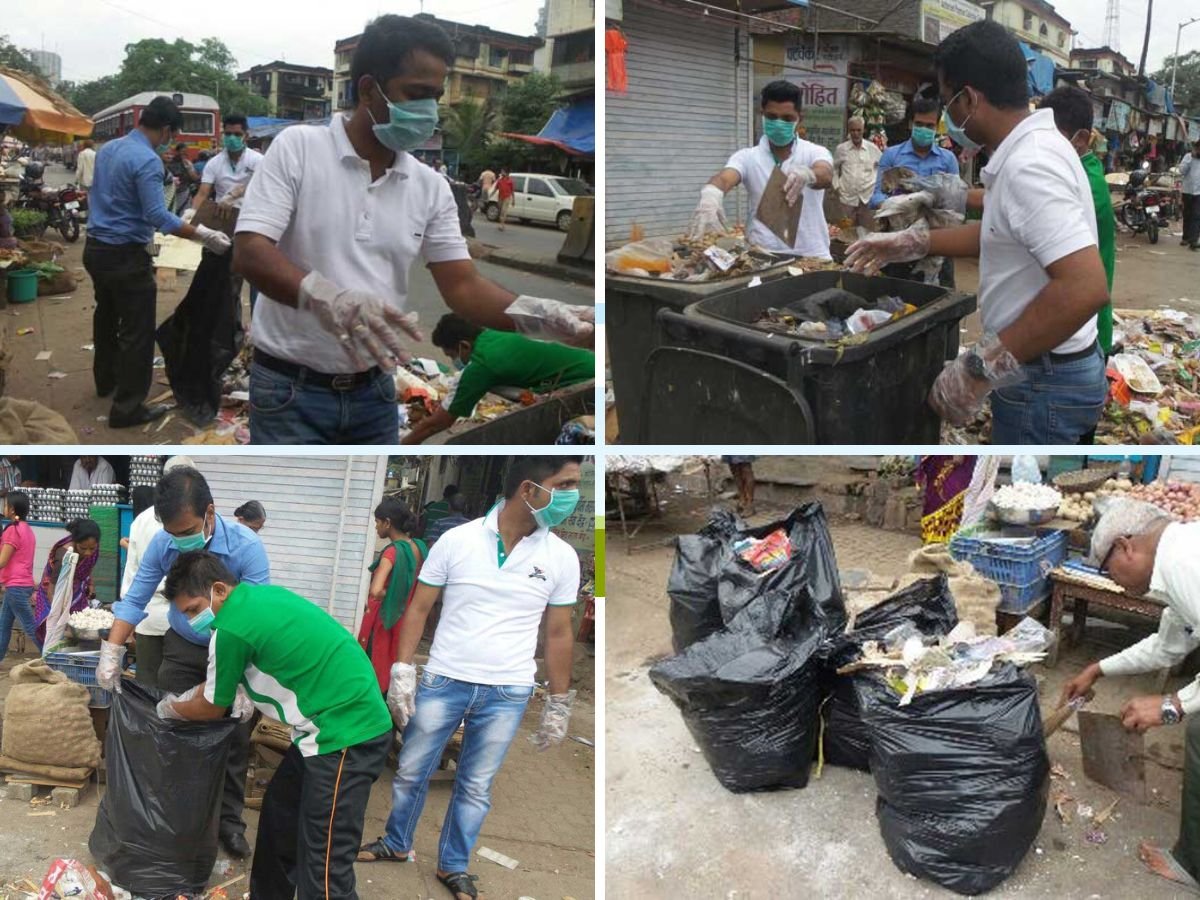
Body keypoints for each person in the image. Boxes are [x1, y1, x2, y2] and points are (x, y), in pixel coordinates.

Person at [232, 15, 592, 445]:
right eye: (417, 94)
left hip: (375, 392)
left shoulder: (430, 186)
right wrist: (327, 297)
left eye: (436, 96)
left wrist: (541, 317)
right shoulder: (298, 149)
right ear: (368, 90)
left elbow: (463, 286)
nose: (429, 110)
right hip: (289, 391)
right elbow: (251, 250)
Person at [845, 21, 1109, 445]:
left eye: (949, 101)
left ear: (969, 98)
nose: (947, 116)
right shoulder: (1031, 146)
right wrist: (914, 242)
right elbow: (1001, 235)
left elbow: (1085, 288)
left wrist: (980, 367)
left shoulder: (1030, 165)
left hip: (1043, 377)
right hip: (1051, 370)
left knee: (1021, 494)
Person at [358, 457, 583, 900]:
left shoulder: (562, 557)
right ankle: (397, 843)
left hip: (509, 690)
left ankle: (453, 865)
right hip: (446, 680)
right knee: (410, 772)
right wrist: (403, 669)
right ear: (529, 489)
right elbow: (419, 608)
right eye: (565, 484)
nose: (572, 495)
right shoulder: (456, 541)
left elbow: (558, 632)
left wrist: (559, 701)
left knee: (476, 786)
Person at [157, 551, 392, 900]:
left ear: (219, 590)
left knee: (324, 863)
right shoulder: (259, 596)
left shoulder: (231, 628)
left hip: (345, 733)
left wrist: (171, 708)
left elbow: (211, 708)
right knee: (280, 815)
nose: (193, 620)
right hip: (321, 729)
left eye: (193, 609)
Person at [98, 465, 269, 859]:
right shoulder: (164, 544)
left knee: (233, 738)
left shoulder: (246, 548)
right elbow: (136, 597)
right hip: (184, 646)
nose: (179, 541)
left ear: (210, 512)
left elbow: (258, 618)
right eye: (172, 533)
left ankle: (228, 824)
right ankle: (172, 819)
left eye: (186, 530)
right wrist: (112, 649)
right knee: (171, 729)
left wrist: (244, 680)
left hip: (234, 651)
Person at [1060, 499, 1200, 893]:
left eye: (1107, 570)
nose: (1112, 581)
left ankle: (1194, 863)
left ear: (1126, 546)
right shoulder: (1172, 565)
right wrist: (1098, 668)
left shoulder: (1185, 563)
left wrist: (1174, 706)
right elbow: (1168, 646)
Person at [85, 96, 233, 429]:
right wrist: (204, 235)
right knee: (137, 332)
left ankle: (105, 381)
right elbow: (157, 216)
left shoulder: (108, 149)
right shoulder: (148, 161)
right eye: (171, 133)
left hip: (96, 250)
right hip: (125, 254)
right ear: (166, 129)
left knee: (105, 316)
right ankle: (127, 408)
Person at [688, 80, 835, 259]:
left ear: (799, 118)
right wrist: (711, 195)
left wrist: (809, 174)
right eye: (772, 117)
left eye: (787, 118)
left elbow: (826, 174)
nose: (779, 123)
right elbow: (725, 178)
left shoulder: (814, 152)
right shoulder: (747, 157)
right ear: (762, 114)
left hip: (811, 254)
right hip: (762, 254)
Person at [403, 313, 597, 444]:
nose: (453, 360)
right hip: (589, 364)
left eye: (450, 354)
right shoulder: (493, 333)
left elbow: (438, 423)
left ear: (464, 345)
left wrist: (402, 445)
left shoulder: (481, 365)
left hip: (583, 382)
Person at [1038, 87, 1117, 357]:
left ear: (1080, 139)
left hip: (1081, 330)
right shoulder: (1079, 169)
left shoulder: (1085, 183)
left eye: (1050, 136)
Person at [869, 96, 962, 287]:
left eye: (929, 125)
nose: (924, 129)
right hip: (898, 241)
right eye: (919, 124)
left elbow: (957, 204)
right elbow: (875, 196)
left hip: (936, 243)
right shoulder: (892, 155)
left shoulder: (948, 160)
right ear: (911, 123)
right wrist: (894, 204)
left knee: (940, 302)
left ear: (937, 127)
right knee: (896, 299)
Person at [121, 455, 194, 689]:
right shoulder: (195, 518)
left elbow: (131, 574)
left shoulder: (141, 520)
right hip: (184, 620)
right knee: (179, 685)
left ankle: (150, 725)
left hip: (150, 616)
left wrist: (127, 621)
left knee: (148, 684)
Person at [359, 497, 426, 694]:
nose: (376, 528)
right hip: (407, 618)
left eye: (377, 522)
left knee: (375, 666)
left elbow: (376, 590)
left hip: (385, 618)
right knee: (396, 663)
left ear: (387, 523)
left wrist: (393, 593)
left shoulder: (392, 552)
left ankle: (374, 715)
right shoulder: (419, 547)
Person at [32, 519, 99, 645]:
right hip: (54, 594)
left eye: (92, 548)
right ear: (75, 542)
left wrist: (90, 583)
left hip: (76, 591)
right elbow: (52, 591)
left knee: (79, 630)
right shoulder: (63, 556)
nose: (88, 553)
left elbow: (88, 566)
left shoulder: (92, 547)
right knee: (54, 636)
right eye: (83, 548)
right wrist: (61, 613)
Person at [185, 115, 262, 218]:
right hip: (222, 216)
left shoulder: (258, 160)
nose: (232, 138)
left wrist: (234, 195)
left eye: (237, 134)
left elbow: (264, 187)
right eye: (228, 134)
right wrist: (192, 212)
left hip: (251, 215)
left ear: (246, 136)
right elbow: (203, 193)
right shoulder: (214, 163)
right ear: (223, 135)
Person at [0, 492, 38, 659]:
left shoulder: (12, 530)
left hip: (16, 586)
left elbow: (2, 561)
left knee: (30, 626)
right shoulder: (27, 529)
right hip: (21, 585)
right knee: (4, 625)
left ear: (12, 509)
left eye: (6, 505)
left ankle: (53, 660)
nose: (4, 507)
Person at [833, 116, 881, 232]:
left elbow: (883, 167)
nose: (856, 133)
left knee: (868, 232)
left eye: (859, 130)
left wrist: (877, 189)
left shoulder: (872, 148)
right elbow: (834, 168)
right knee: (845, 232)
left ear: (863, 130)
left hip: (867, 198)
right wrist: (836, 186)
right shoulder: (841, 149)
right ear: (849, 131)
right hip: (847, 198)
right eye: (853, 130)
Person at [914, 456, 976, 543]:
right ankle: (941, 539)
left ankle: (942, 539)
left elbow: (958, 460)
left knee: (944, 500)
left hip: (950, 472)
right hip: (942, 470)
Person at [166, 143, 198, 216]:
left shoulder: (188, 163)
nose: (184, 154)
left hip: (184, 193)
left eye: (185, 152)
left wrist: (188, 168)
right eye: (182, 152)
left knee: (183, 215)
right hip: (171, 193)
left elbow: (195, 178)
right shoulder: (169, 162)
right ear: (176, 152)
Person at [1182, 138, 1200, 251]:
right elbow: (1181, 171)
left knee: (1197, 215)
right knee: (1187, 214)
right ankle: (1186, 237)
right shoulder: (1188, 157)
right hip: (1187, 191)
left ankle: (1194, 241)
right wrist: (1190, 160)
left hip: (1199, 192)